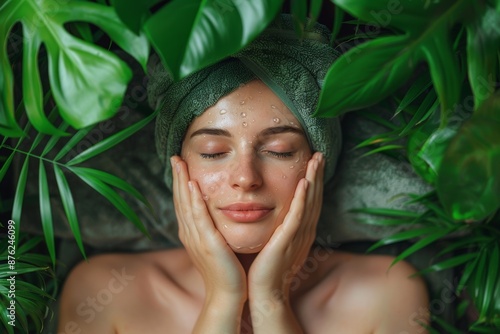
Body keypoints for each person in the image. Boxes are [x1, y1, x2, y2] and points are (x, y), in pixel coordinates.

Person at [57, 15, 429, 334]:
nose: (246, 177)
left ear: (320, 162)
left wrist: (272, 301)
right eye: (213, 152)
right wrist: (223, 300)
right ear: (177, 164)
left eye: (279, 150)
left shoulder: (387, 293)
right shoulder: (104, 293)